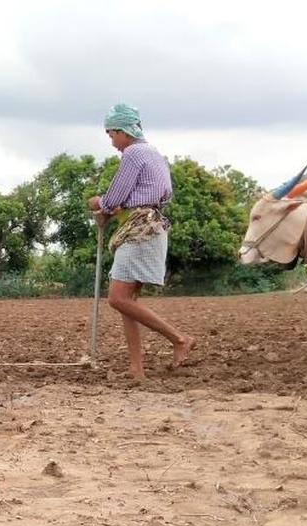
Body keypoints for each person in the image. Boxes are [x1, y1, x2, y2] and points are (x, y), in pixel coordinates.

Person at [87, 104, 196, 382]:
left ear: (123, 131)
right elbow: (137, 197)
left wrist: (100, 204)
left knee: (118, 299)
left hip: (140, 232)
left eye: (112, 135)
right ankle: (137, 370)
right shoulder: (154, 154)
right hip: (150, 228)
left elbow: (115, 197)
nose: (112, 143)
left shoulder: (134, 153)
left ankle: (179, 338)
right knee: (127, 302)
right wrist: (110, 211)